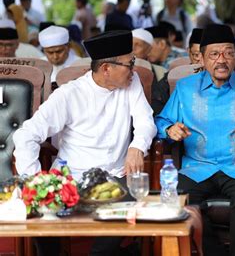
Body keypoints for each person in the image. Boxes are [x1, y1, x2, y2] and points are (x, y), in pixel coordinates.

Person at [13, 30, 156, 255]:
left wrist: (137, 146)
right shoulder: (70, 94)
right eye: (130, 63)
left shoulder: (131, 81)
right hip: (70, 179)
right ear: (106, 68)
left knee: (123, 214)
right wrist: (34, 181)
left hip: (114, 179)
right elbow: (25, 135)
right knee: (41, 217)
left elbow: (145, 121)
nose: (134, 68)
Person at [156, 24, 235, 256]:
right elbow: (161, 122)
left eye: (228, 53)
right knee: (177, 198)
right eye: (214, 54)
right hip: (197, 166)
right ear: (201, 59)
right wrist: (171, 129)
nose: (222, 60)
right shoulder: (185, 88)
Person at [153, 28, 203, 115]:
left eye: (208, 55)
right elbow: (157, 106)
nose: (201, 61)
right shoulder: (174, 77)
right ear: (188, 51)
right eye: (196, 55)